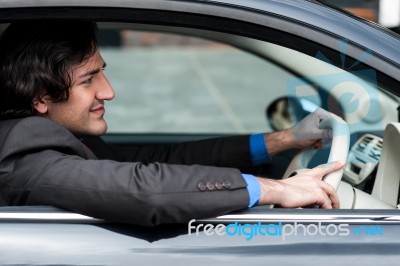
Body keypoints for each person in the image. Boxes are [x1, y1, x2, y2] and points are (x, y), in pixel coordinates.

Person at [0, 21, 343, 226]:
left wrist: (285, 138)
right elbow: (142, 189)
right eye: (89, 79)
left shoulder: (52, 135)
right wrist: (275, 189)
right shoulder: (23, 147)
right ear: (41, 97)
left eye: (104, 72)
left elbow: (159, 158)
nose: (109, 91)